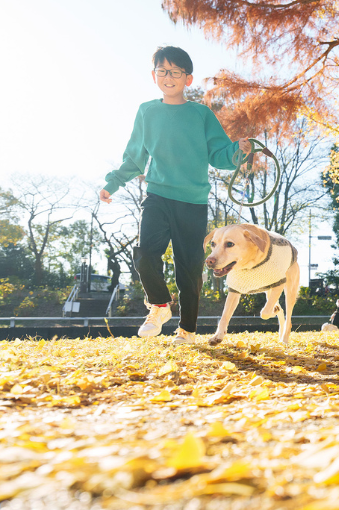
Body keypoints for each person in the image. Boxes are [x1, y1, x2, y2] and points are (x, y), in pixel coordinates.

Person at [99, 46, 251, 344]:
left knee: (189, 267)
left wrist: (238, 150)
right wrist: (112, 183)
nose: (169, 77)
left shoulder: (201, 114)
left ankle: (188, 331)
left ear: (188, 79)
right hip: (157, 195)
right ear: (154, 75)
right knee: (145, 255)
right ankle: (159, 305)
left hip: (193, 201)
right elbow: (134, 158)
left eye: (176, 72)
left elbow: (220, 155)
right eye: (163, 71)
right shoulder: (147, 111)